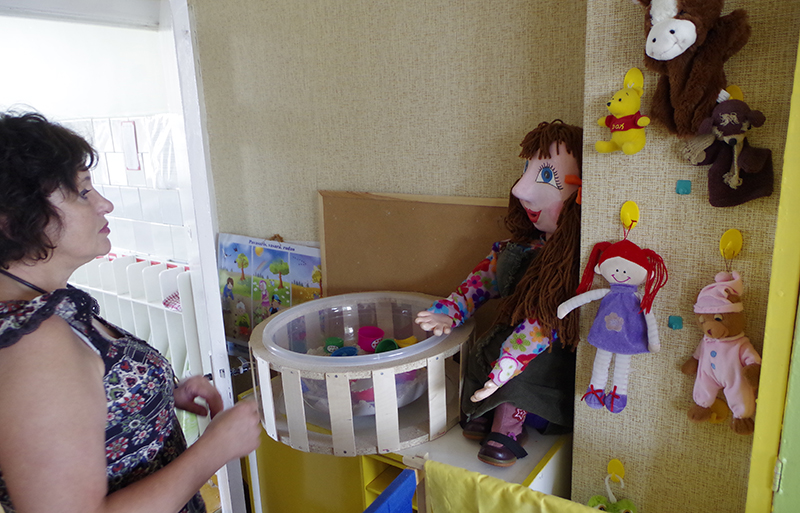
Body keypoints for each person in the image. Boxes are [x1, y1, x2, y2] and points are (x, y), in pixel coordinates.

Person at [0, 111, 262, 513]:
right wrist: (215, 449)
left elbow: (75, 404)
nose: (104, 203)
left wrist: (150, 397)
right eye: (83, 192)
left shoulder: (43, 306)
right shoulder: (33, 344)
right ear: (12, 220)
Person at [415, 120, 582, 467]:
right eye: (526, 172)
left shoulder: (570, 267)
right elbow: (480, 282)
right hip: (505, 339)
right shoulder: (516, 248)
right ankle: (483, 410)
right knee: (483, 351)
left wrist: (507, 366)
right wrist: (451, 310)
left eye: (547, 176)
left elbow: (540, 326)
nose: (520, 190)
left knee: (521, 375)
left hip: (539, 354)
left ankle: (506, 424)